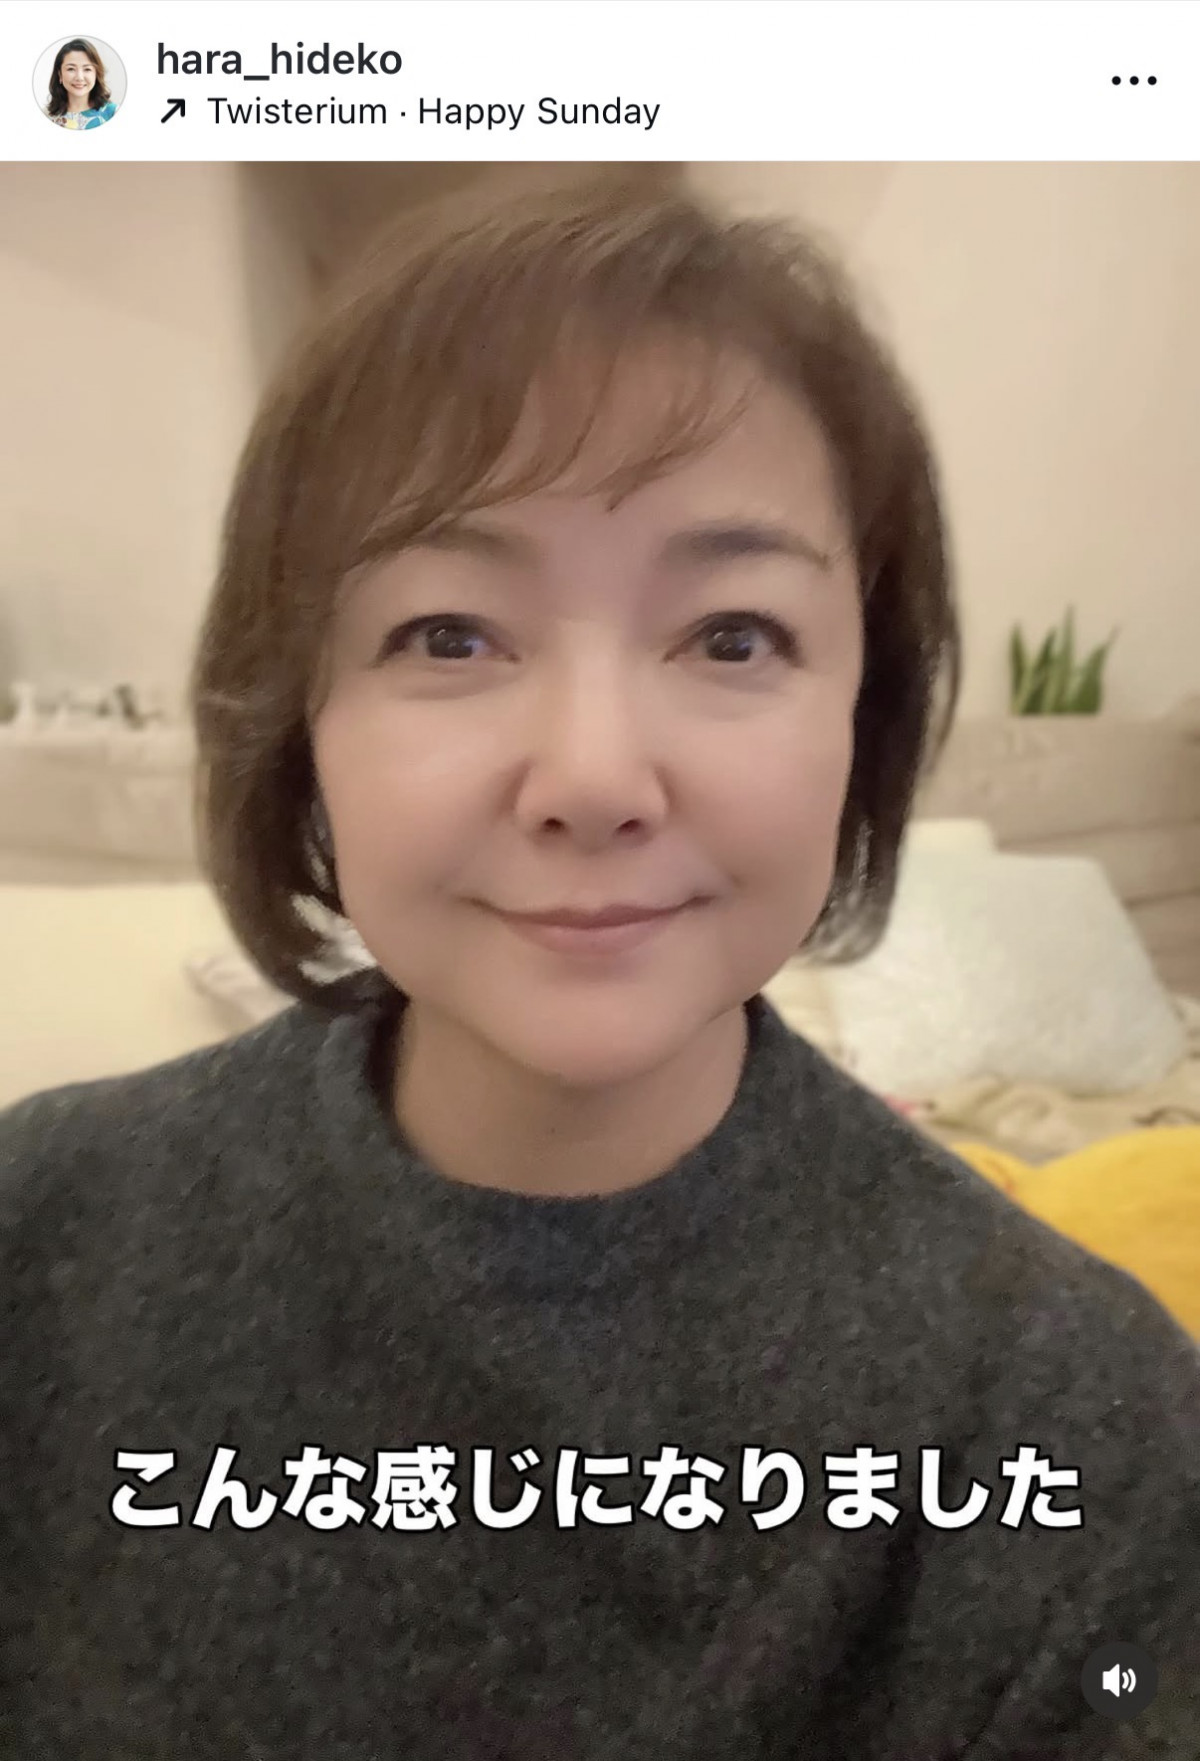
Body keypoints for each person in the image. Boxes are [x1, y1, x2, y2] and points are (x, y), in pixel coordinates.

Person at [1, 178, 1196, 1759]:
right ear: (302, 720)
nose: (593, 777)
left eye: (731, 636)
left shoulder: (1078, 1414)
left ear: (865, 721)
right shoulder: (42, 1234)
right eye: (449, 633)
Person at [44, 37, 117, 130]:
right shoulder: (46, 116)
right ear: (60, 74)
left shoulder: (113, 113)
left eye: (87, 69)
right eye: (71, 69)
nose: (79, 77)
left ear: (96, 74)